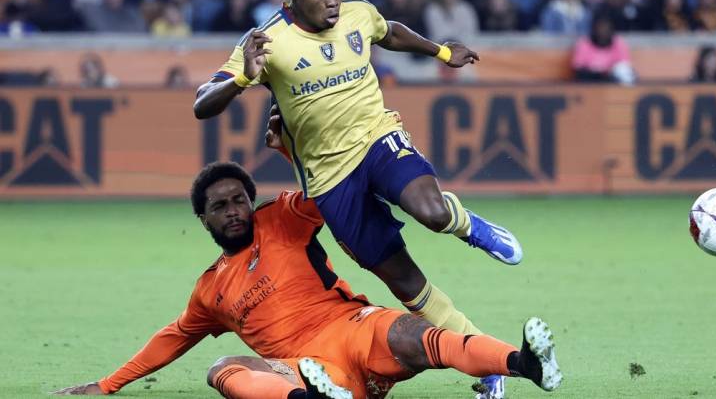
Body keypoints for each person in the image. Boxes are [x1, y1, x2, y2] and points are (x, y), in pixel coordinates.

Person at [193, 0, 523, 397]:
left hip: (376, 137)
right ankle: (485, 362)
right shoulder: (267, 40)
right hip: (330, 179)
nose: (332, 2)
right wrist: (242, 80)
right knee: (405, 280)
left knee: (431, 210)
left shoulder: (356, 10)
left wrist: (442, 51)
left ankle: (466, 225)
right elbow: (202, 103)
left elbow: (388, 31)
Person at [53, 162, 563, 398]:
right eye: (219, 207)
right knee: (223, 367)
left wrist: (294, 145)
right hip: (302, 367)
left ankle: (524, 365)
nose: (233, 211)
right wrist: (107, 385)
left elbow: (331, 188)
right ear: (203, 220)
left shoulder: (282, 217)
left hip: (353, 328)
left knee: (411, 332)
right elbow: (171, 339)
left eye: (238, 200)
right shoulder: (210, 290)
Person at [572, 12, 634, 84]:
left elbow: (624, 66)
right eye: (600, 27)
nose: (603, 31)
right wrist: (598, 72)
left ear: (611, 29)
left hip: (613, 81)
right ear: (594, 29)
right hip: (591, 81)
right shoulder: (584, 43)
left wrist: (608, 72)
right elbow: (578, 68)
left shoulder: (619, 43)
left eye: (606, 28)